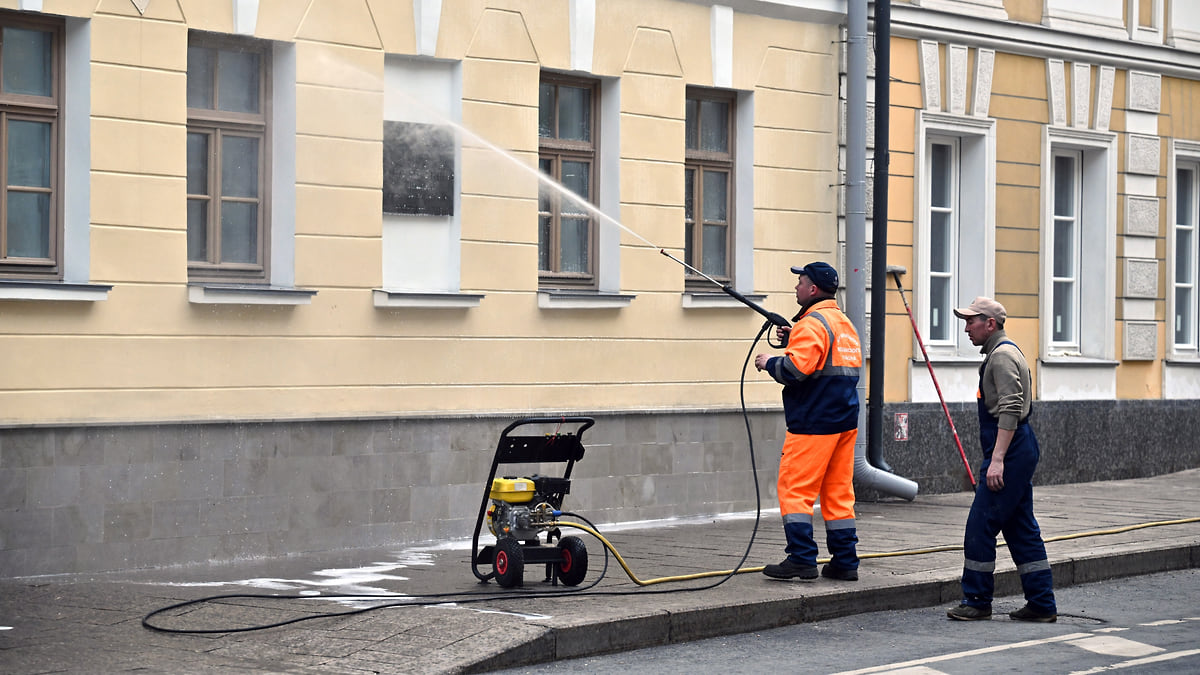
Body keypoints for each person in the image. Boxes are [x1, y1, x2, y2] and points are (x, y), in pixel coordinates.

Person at [946, 297, 1057, 622]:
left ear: (990, 324)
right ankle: (1041, 604)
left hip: (1010, 448)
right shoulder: (1001, 353)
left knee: (980, 526)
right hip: (1015, 447)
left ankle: (977, 600)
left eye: (971, 322)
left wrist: (997, 461)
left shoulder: (1002, 357)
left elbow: (1010, 409)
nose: (966, 328)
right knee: (1020, 528)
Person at [754, 262, 862, 582]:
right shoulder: (843, 324)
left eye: (800, 282)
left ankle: (801, 559)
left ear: (813, 289)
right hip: (843, 422)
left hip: (813, 423)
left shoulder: (812, 324)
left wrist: (769, 362)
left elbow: (795, 371)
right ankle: (845, 561)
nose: (796, 287)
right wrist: (794, 338)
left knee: (795, 489)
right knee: (838, 493)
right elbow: (824, 361)